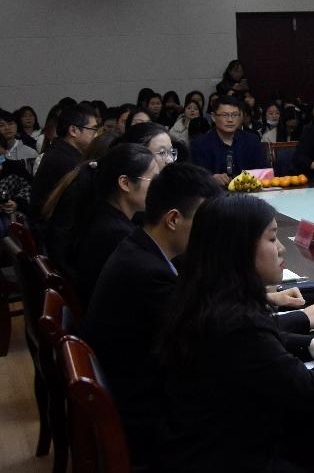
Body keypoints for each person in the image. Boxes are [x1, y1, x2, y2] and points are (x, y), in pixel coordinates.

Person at [159, 195, 314, 471]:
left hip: (195, 449)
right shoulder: (238, 321)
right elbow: (308, 392)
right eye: (272, 239)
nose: (281, 249)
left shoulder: (203, 298)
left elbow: (261, 345)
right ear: (238, 250)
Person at [82, 163, 221, 466]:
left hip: (134, 394)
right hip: (149, 419)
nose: (211, 233)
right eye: (206, 223)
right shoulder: (148, 273)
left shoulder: (140, 248)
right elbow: (210, 337)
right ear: (173, 219)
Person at [67, 143, 161, 307]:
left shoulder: (104, 215)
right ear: (125, 183)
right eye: (153, 180)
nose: (159, 187)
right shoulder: (115, 235)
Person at [32, 103, 98, 213]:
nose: (96, 135)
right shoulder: (64, 160)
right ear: (73, 130)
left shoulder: (61, 150)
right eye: (93, 129)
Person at [190, 96, 269, 186]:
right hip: (214, 192)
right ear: (213, 117)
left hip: (249, 191)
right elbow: (194, 179)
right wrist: (211, 178)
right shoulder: (199, 144)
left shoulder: (252, 140)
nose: (230, 120)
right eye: (225, 115)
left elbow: (265, 172)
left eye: (235, 115)